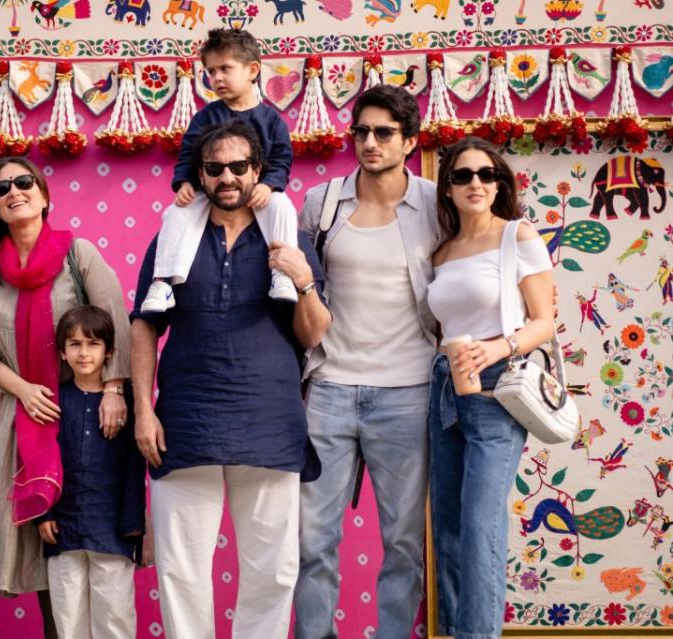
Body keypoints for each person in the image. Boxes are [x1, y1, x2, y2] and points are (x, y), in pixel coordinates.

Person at [131, 119, 331, 638]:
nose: (227, 177)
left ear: (257, 171)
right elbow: (144, 328)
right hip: (186, 422)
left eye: (239, 167)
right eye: (215, 167)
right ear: (200, 173)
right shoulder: (173, 238)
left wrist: (304, 280)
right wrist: (144, 411)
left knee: (274, 569)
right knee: (181, 570)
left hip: (269, 423)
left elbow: (313, 335)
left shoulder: (288, 239)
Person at [0, 157, 131, 636]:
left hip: (85, 417)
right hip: (19, 421)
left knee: (84, 532)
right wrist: (23, 390)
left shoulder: (78, 254)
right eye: (2, 188)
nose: (14, 191)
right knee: (37, 544)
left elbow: (115, 321)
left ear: (43, 194)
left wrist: (115, 390)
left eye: (24, 182)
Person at [293, 84, 440, 639]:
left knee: (404, 539)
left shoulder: (434, 204)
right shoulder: (323, 203)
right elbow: (297, 290)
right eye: (361, 131)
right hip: (328, 388)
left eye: (383, 133)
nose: (370, 142)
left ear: (409, 140)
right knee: (313, 538)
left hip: (408, 392)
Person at [426, 137, 554, 639]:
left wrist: (499, 348)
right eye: (462, 176)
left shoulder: (517, 236)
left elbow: (545, 322)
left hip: (496, 391)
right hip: (443, 389)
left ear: (499, 183)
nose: (475, 183)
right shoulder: (442, 250)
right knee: (450, 528)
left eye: (486, 174)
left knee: (481, 526)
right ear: (449, 188)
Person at [140, 27, 299, 312]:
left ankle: (282, 274)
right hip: (210, 192)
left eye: (225, 68)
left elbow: (282, 158)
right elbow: (189, 152)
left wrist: (268, 185)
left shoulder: (271, 120)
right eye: (211, 71)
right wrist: (184, 182)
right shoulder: (206, 116)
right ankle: (163, 282)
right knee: (175, 213)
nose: (217, 78)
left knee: (283, 207)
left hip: (258, 192)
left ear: (252, 70)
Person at [36, 305, 145, 639]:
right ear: (62, 352)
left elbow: (133, 466)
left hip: (112, 531)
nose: (84, 352)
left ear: (109, 350)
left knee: (115, 620)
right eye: (75, 344)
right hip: (63, 530)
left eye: (93, 344)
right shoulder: (52, 401)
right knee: (68, 622)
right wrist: (44, 513)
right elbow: (42, 460)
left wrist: (132, 526)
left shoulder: (125, 403)